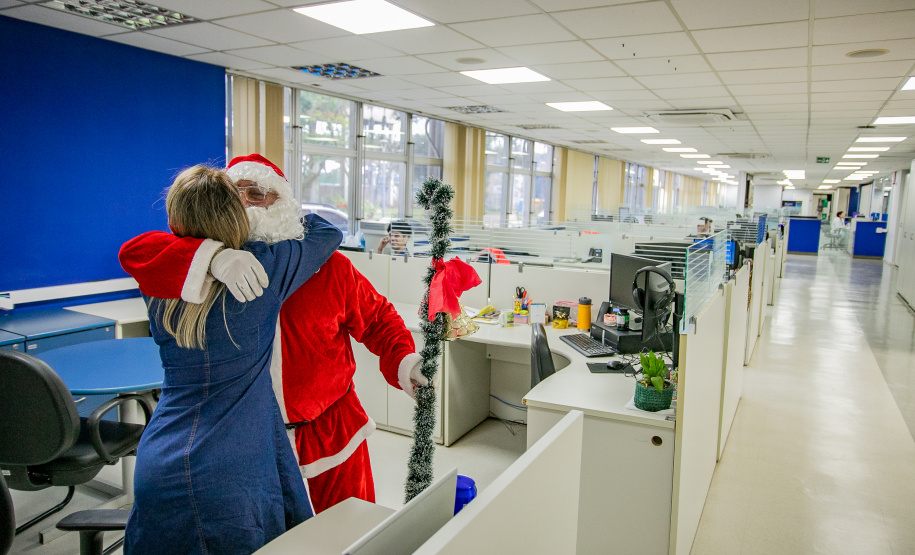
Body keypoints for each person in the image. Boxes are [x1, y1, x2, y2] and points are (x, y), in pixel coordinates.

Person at [119, 154, 426, 514]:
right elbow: (139, 249)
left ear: (284, 203)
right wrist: (213, 257)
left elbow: (377, 319)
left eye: (261, 193)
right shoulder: (201, 270)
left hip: (331, 430)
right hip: (251, 444)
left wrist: (406, 361)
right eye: (238, 193)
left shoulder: (329, 267)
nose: (249, 201)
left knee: (350, 531)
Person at [120, 165, 342, 554]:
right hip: (230, 470)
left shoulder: (159, 282)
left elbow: (136, 249)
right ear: (238, 213)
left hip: (159, 458)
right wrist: (273, 202)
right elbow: (327, 232)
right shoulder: (263, 269)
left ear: (175, 219)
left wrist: (207, 255)